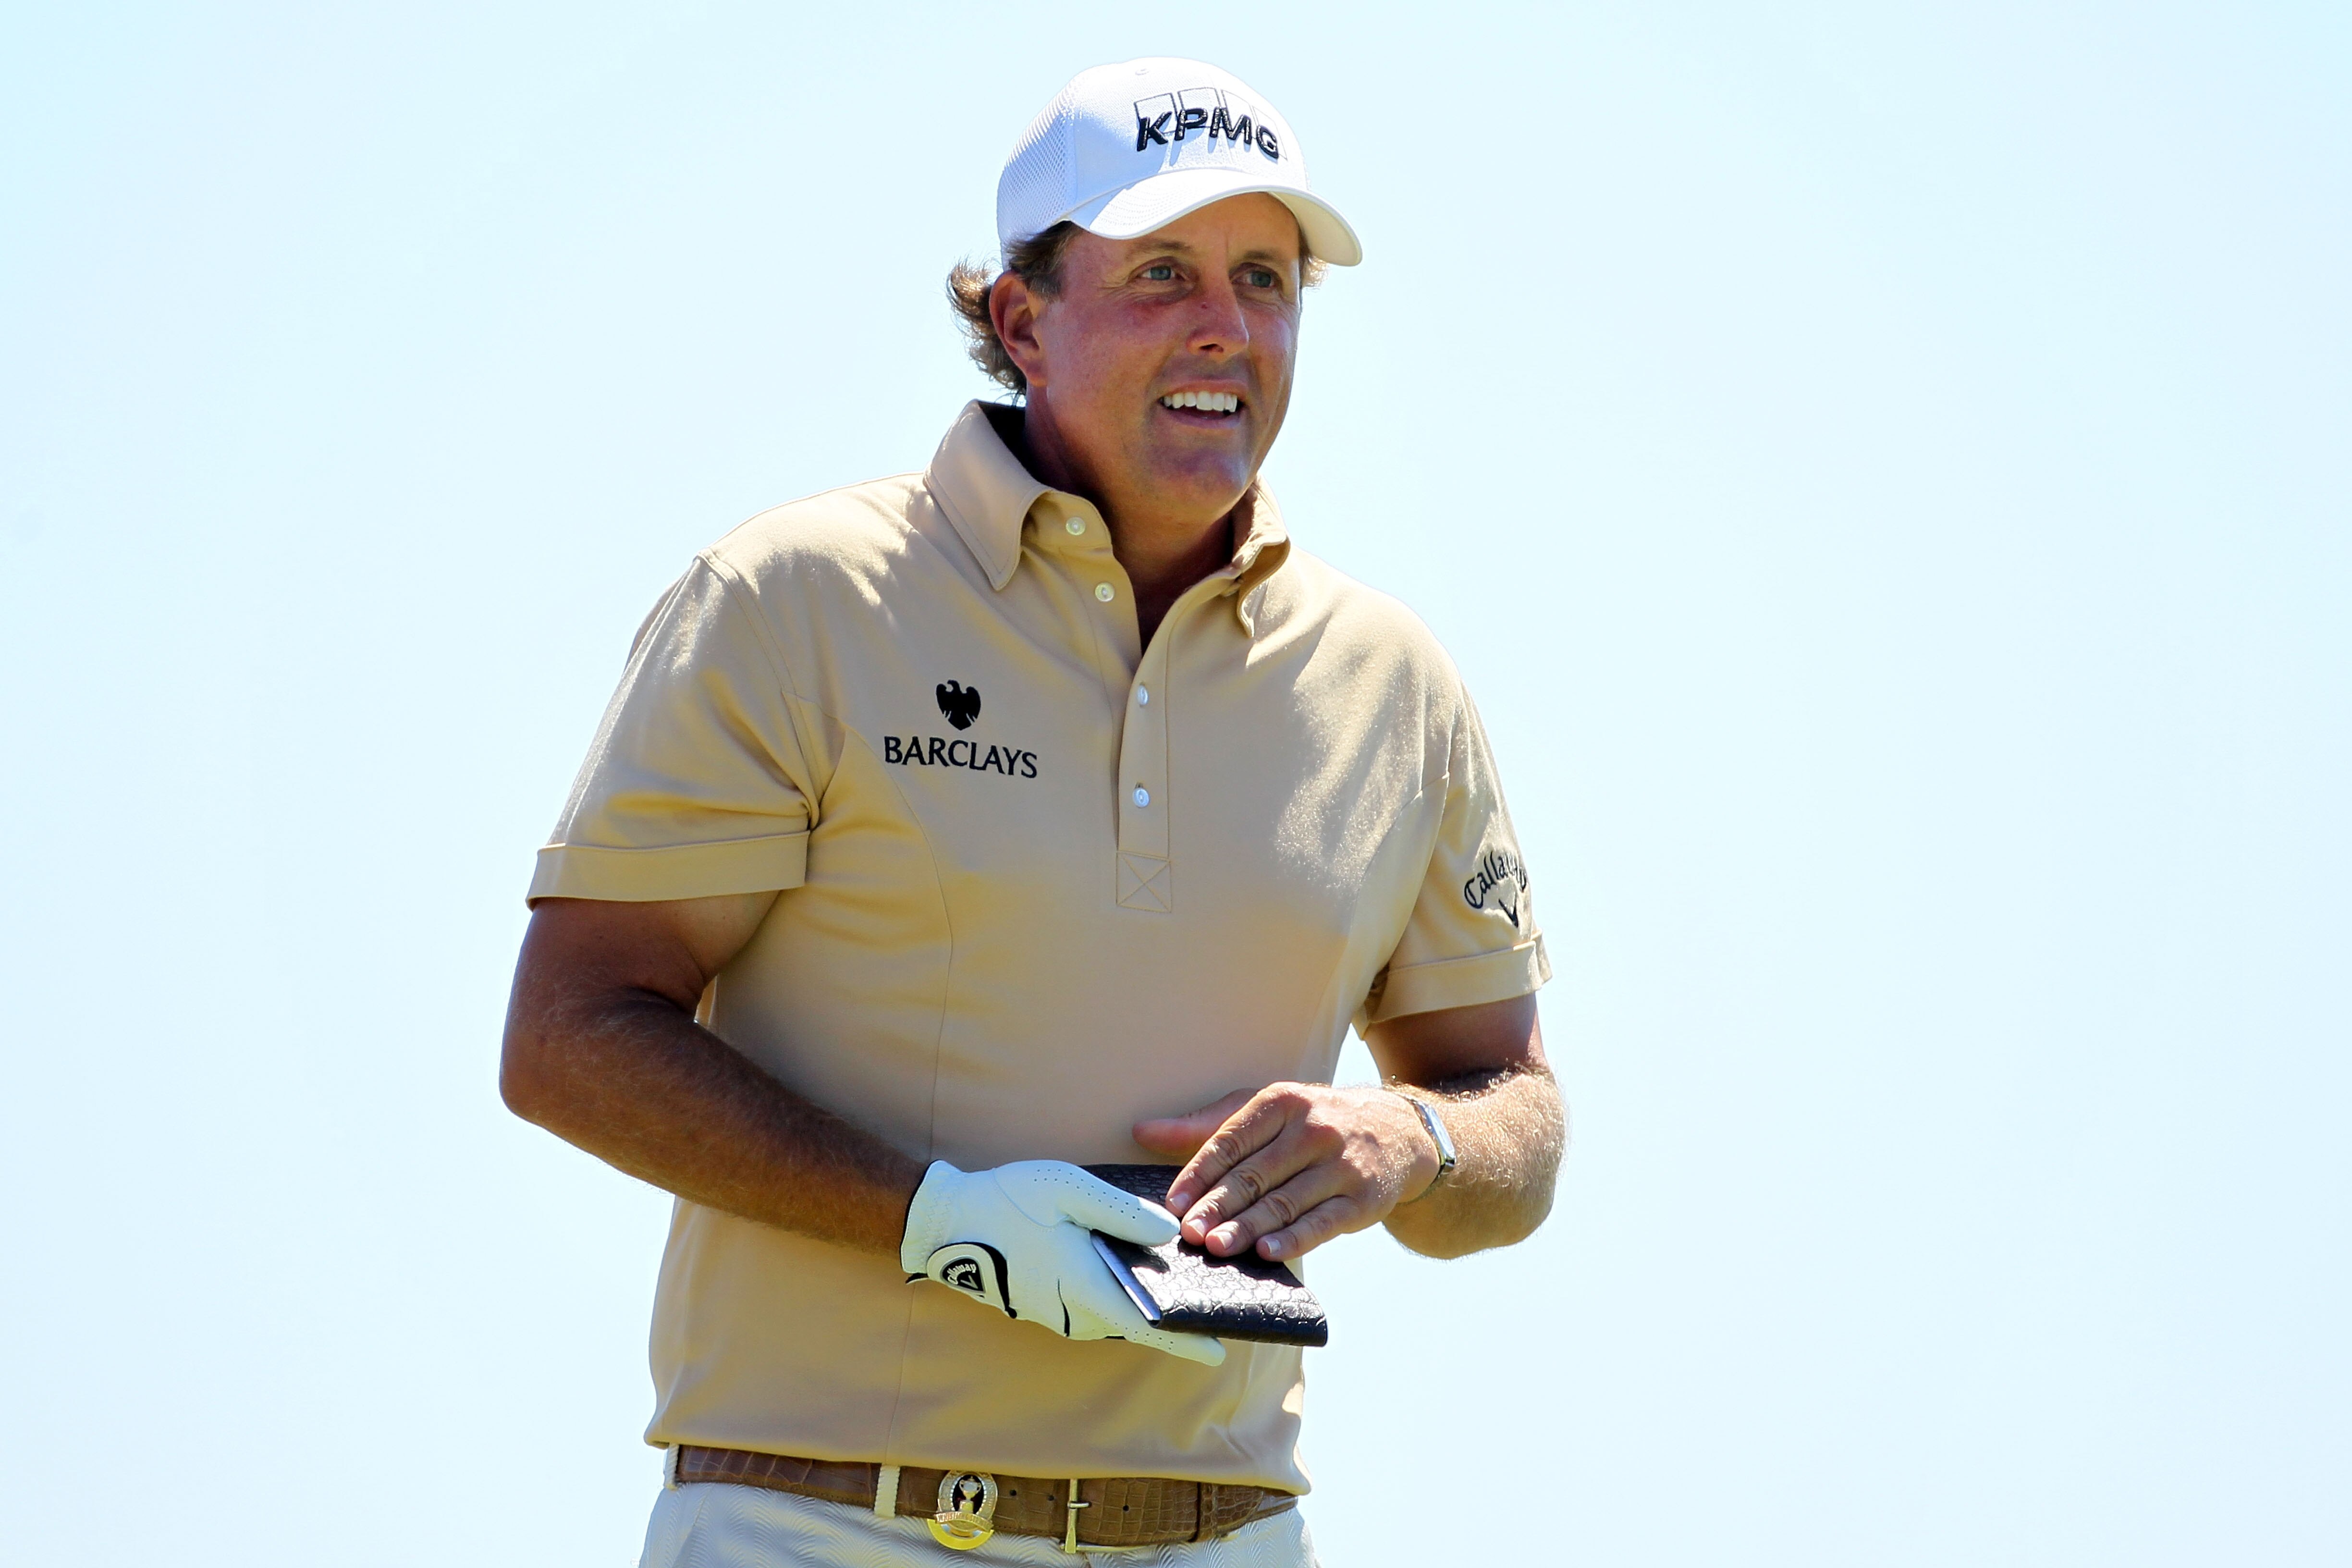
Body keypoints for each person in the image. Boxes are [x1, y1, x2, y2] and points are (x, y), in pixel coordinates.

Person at [500, 56, 1565, 1568]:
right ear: (1021, 320)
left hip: (1227, 1532)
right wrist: (934, 1217)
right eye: (1162, 274)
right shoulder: (796, 599)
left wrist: (1409, 1146)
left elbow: (1515, 1115)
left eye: (1268, 277)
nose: (1227, 325)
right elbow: (568, 1043)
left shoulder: (1394, 681)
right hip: (816, 1523)